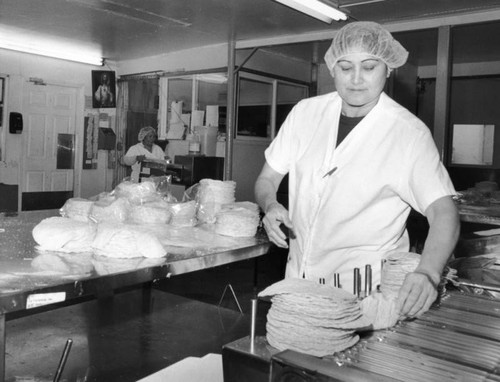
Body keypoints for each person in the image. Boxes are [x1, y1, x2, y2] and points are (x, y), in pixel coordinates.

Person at [254, 21, 460, 319]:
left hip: (362, 293)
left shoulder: (408, 134)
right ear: (331, 69)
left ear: (388, 68)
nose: (356, 79)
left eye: (369, 66)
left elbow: (444, 211)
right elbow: (267, 177)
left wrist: (428, 272)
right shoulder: (305, 114)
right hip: (298, 281)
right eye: (345, 67)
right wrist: (270, 203)